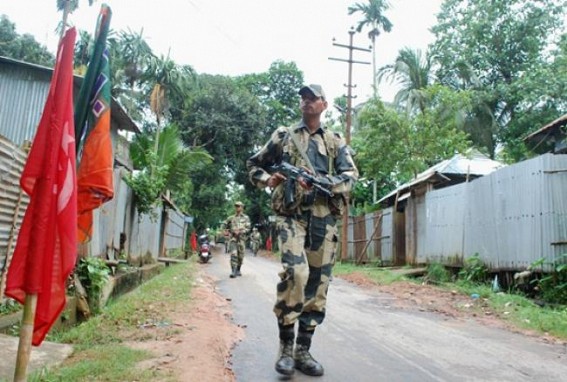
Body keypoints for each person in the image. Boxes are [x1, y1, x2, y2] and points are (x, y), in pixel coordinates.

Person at [246, 84, 358, 377]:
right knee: (296, 274)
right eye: (303, 98)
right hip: (291, 217)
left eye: (313, 98)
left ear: (324, 104)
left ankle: (303, 350)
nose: (306, 102)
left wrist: (323, 182)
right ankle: (285, 347)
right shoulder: (284, 136)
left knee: (318, 284)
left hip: (324, 220)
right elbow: (254, 164)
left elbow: (350, 177)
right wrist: (270, 180)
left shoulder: (335, 141)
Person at [223, 201, 251, 278]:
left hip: (242, 239)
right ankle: (233, 271)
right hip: (233, 239)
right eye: (236, 206)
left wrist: (241, 231)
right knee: (233, 254)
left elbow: (248, 228)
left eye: (238, 206)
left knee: (241, 256)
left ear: (242, 207)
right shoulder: (231, 218)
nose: (237, 207)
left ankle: (238, 269)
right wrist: (226, 231)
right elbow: (225, 225)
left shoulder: (246, 218)